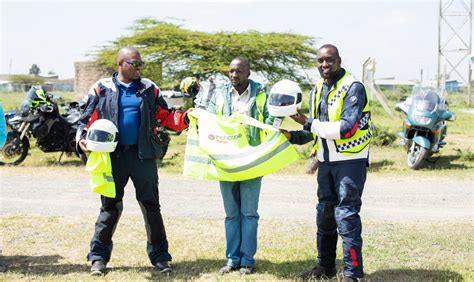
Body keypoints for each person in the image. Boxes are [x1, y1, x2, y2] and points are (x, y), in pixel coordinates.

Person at [77, 46, 189, 276]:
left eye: (141, 64)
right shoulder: (101, 88)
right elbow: (85, 119)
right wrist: (81, 139)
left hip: (143, 156)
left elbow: (165, 116)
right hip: (113, 158)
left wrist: (186, 118)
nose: (140, 68)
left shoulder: (149, 88)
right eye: (135, 64)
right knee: (109, 207)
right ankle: (98, 258)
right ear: (121, 64)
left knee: (151, 207)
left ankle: (160, 258)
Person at [282, 44, 371, 282]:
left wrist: (307, 123)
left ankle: (353, 274)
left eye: (329, 60)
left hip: (350, 161)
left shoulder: (353, 87)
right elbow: (316, 130)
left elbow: (346, 127)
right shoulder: (318, 88)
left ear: (339, 60)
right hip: (326, 162)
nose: (324, 65)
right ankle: (326, 266)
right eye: (320, 60)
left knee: (346, 216)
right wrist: (294, 136)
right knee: (325, 215)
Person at [207, 57, 273, 275]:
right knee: (231, 213)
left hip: (251, 160)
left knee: (249, 212)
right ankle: (232, 259)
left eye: (239, 71)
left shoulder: (261, 94)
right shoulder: (219, 94)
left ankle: (247, 260)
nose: (234, 75)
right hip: (226, 161)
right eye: (231, 71)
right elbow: (209, 120)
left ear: (248, 72)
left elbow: (271, 122)